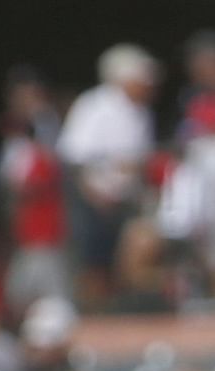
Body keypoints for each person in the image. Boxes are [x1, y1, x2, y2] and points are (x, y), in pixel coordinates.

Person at [57, 46, 158, 302]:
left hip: (126, 200)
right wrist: (92, 194)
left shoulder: (142, 113)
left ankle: (122, 307)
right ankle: (94, 311)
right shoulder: (94, 105)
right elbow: (73, 155)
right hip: (92, 198)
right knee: (93, 262)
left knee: (126, 258)